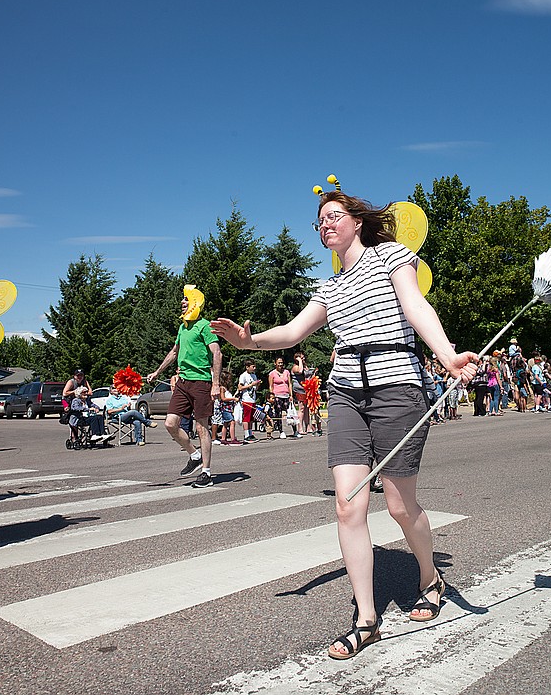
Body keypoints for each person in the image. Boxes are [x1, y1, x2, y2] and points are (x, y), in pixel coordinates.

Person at [210, 189, 478, 661]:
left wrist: (448, 355)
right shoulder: (328, 287)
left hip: (397, 388)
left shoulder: (394, 256)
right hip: (346, 393)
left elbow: (417, 307)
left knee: (399, 504)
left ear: (357, 221)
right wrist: (249, 342)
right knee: (346, 505)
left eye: (334, 216)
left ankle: (430, 577)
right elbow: (292, 332)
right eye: (320, 222)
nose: (326, 225)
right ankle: (366, 620)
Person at [149, 285, 222, 488]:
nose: (182, 303)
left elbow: (217, 353)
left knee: (201, 427)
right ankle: (194, 455)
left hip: (201, 382)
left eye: (186, 300)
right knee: (170, 423)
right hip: (183, 382)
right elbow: (174, 352)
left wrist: (215, 383)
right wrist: (157, 372)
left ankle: (206, 473)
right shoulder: (183, 327)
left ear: (195, 303)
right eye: (182, 300)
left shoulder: (205, 326)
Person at [267, 356, 297, 437]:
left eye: (281, 362)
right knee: (278, 413)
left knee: (290, 412)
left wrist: (291, 395)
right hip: (277, 395)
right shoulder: (272, 374)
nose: (280, 364)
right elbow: (271, 386)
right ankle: (281, 431)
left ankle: (295, 430)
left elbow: (290, 384)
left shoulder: (286, 372)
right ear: (275, 363)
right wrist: (271, 396)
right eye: (279, 362)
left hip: (286, 395)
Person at [236, 359, 261, 442]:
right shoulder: (243, 376)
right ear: (247, 367)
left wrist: (257, 384)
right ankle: (246, 435)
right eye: (252, 366)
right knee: (246, 418)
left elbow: (255, 389)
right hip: (246, 399)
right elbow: (240, 387)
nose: (254, 368)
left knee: (251, 418)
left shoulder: (254, 375)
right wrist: (251, 384)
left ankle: (250, 433)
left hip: (252, 399)